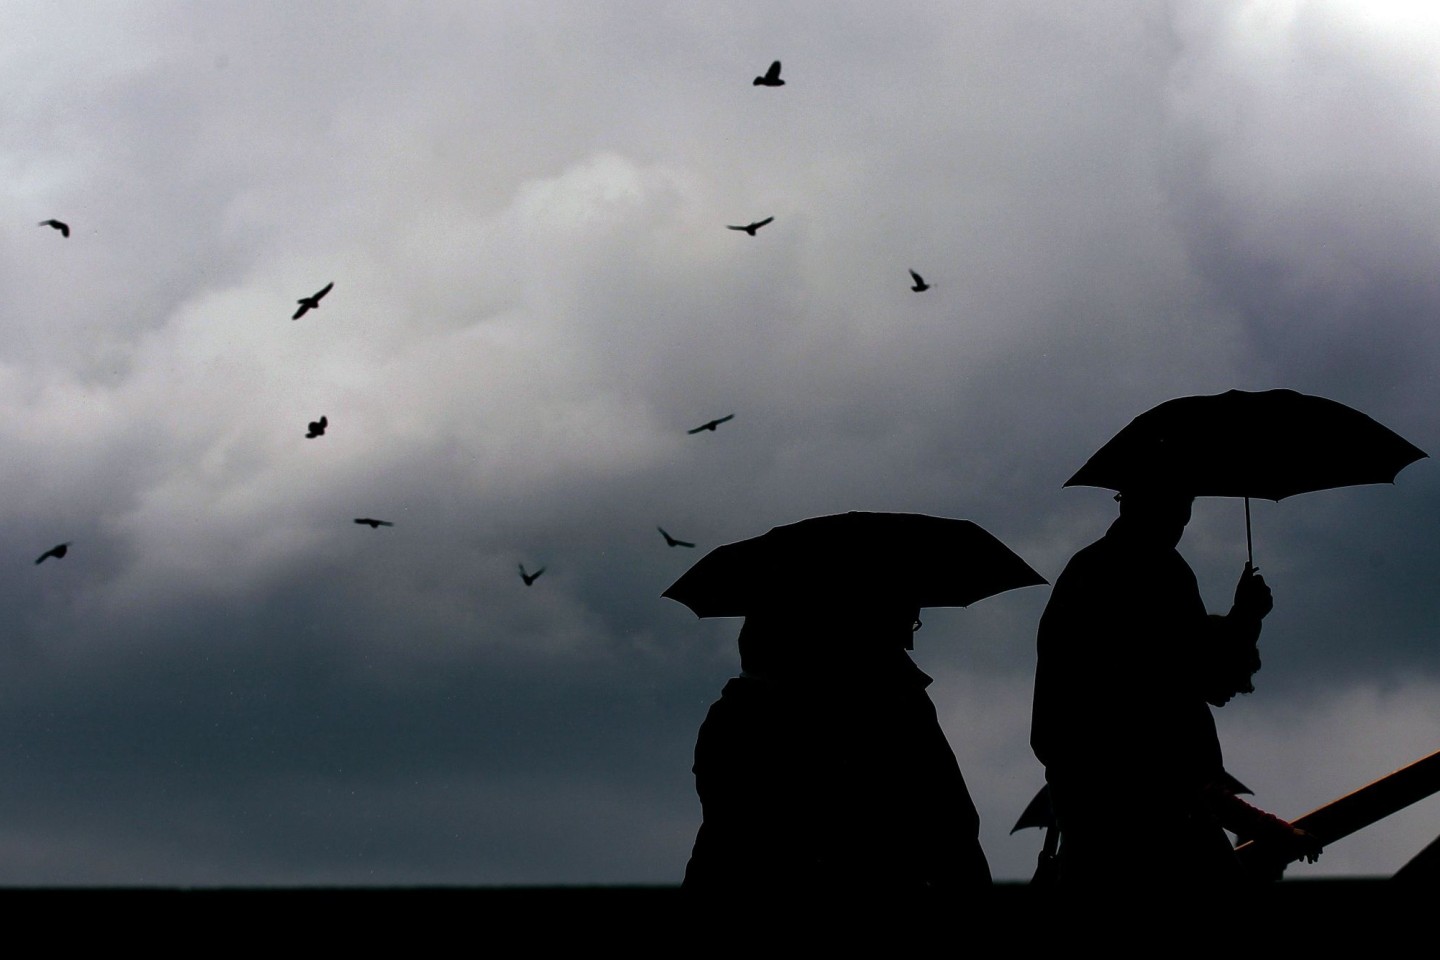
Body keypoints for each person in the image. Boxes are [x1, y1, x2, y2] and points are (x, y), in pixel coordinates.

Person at [1030, 487, 1318, 884]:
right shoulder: (1162, 573)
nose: (1180, 526)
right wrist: (1247, 617)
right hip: (1161, 820)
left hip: (1089, 814)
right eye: (1178, 511)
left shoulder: (1083, 573)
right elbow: (1207, 680)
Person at [683, 602, 992, 892]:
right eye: (908, 617)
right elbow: (953, 830)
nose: (910, 630)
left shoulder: (735, 714)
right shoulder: (887, 704)